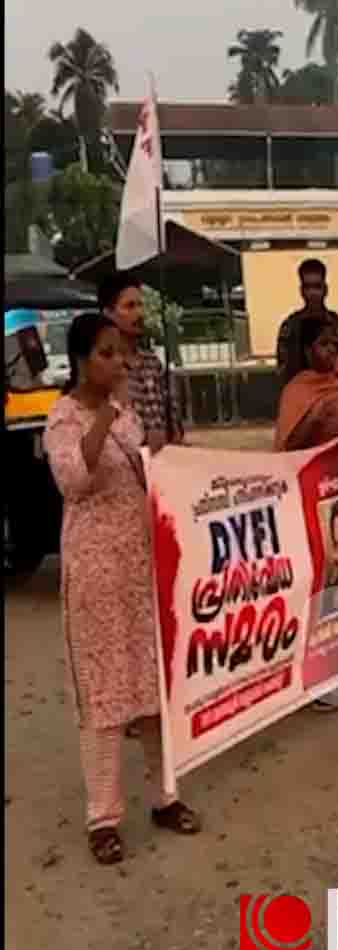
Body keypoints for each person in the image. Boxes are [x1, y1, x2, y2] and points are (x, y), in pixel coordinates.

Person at [44, 313, 202, 865]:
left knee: (153, 684)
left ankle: (165, 795)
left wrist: (158, 450)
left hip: (140, 568)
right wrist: (105, 417)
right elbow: (74, 480)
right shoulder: (63, 417)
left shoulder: (129, 417)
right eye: (106, 354)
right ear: (84, 360)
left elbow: (148, 475)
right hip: (95, 573)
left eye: (119, 353)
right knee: (106, 692)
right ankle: (103, 817)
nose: (117, 362)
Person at [99, 271, 182, 453]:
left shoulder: (153, 363)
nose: (139, 313)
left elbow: (173, 419)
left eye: (140, 305)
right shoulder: (104, 370)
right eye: (129, 306)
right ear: (108, 314)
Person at [273, 317, 338, 452]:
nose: (331, 349)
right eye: (324, 344)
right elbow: (288, 445)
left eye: (335, 345)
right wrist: (315, 417)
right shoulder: (297, 388)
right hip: (311, 465)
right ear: (308, 351)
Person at [276, 258, 338, 384]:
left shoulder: (336, 324)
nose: (312, 293)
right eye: (307, 287)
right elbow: (283, 372)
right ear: (301, 291)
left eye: (317, 286)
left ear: (325, 289)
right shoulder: (290, 327)